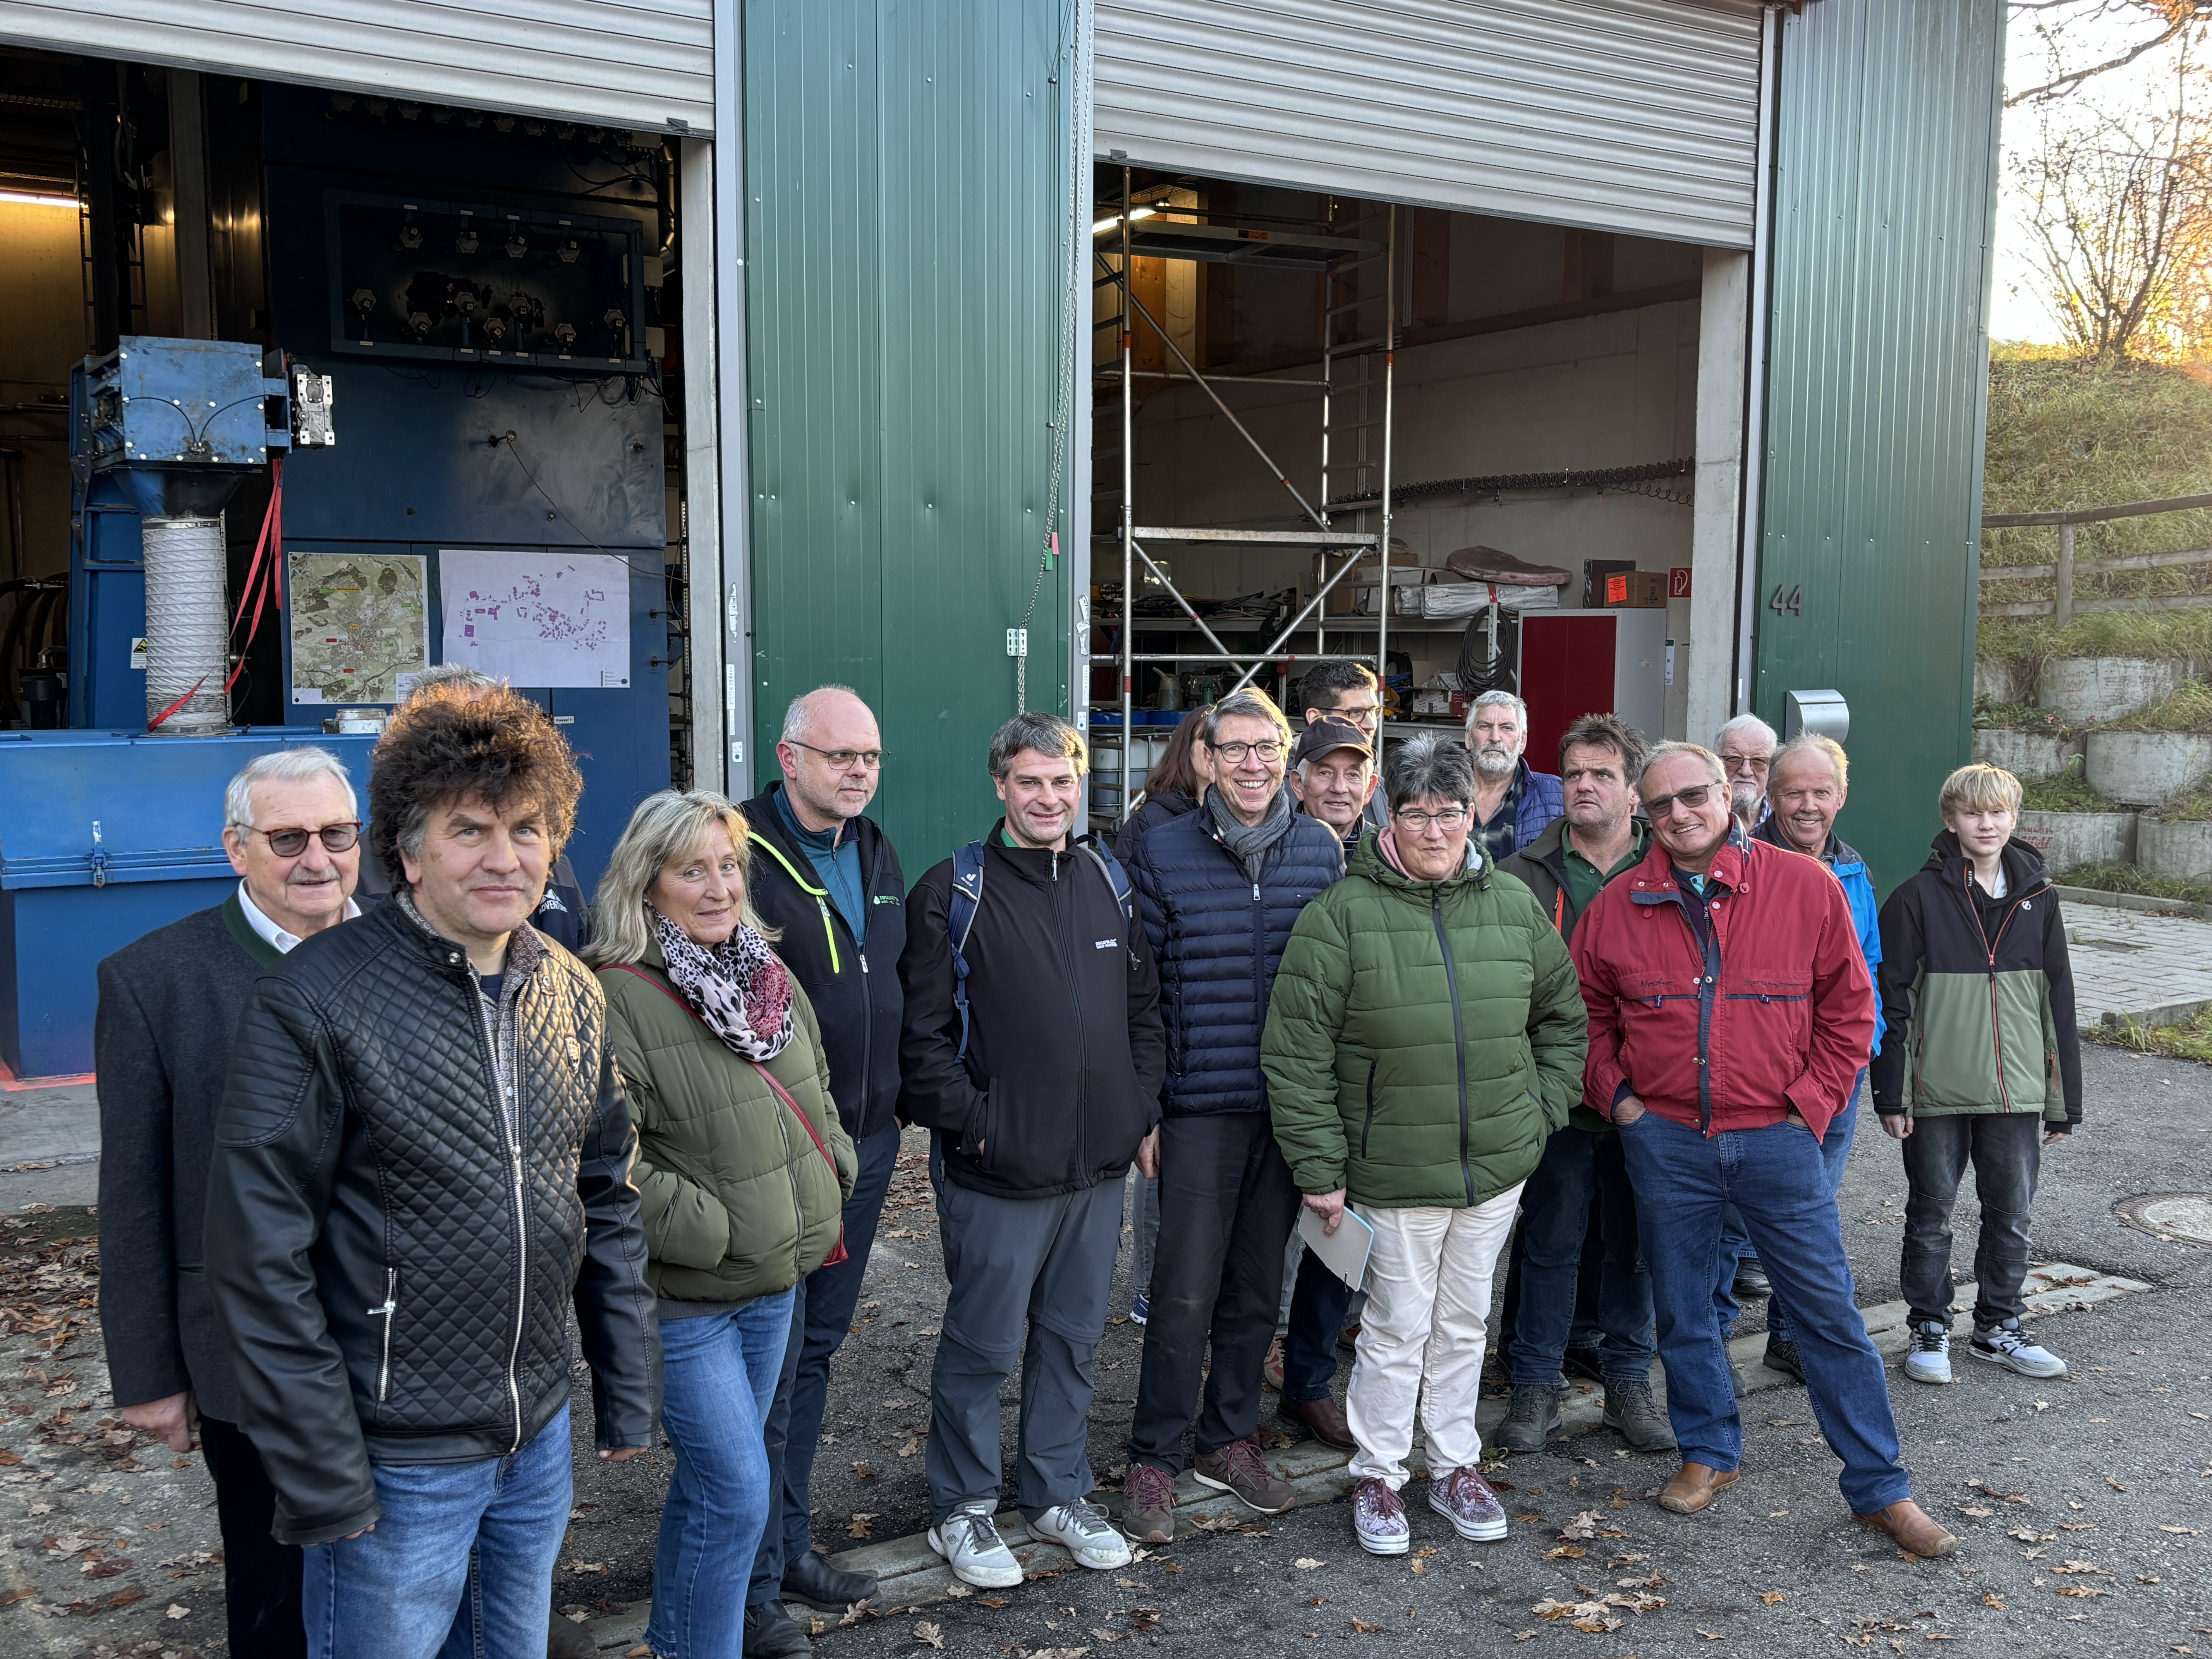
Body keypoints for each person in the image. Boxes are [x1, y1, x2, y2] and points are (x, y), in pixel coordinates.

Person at [204, 683, 661, 1658]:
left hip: (533, 1437)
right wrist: (325, 1473)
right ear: (409, 853)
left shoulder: (570, 988)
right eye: (469, 831)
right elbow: (258, 1256)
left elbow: (606, 1194)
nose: (505, 857)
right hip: (395, 1457)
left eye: (527, 829)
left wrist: (625, 1381)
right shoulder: (316, 1001)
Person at [1572, 741, 1954, 1558]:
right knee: (1684, 1308)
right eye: (1661, 804)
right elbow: (1585, 1019)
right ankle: (1708, 1451)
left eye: (1693, 796)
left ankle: (1881, 1486)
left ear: (1729, 794)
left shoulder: (1804, 886)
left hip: (1777, 1138)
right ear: (1643, 814)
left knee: (1827, 1314)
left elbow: (1852, 1009)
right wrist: (1623, 1104)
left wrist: (1809, 1107)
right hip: (1667, 1141)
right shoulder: (1618, 904)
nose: (1680, 814)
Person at [1262, 736, 1587, 1557]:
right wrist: (1320, 1169)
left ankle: (1453, 1463)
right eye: (1416, 814)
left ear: (1473, 813)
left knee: (1466, 1320)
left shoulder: (1511, 903)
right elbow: (1296, 1055)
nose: (1434, 830)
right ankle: (1379, 1472)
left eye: (1449, 812)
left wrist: (1538, 1111)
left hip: (1495, 1166)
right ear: (1390, 817)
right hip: (1392, 1169)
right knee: (1397, 1325)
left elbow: (1562, 1018)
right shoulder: (1341, 915)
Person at [96, 747, 363, 1659]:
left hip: (411, 1350)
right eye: (288, 839)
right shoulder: (154, 981)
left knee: (419, 1583)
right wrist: (149, 1373)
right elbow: (134, 1192)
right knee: (276, 1592)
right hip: (248, 1358)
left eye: (337, 834)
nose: (317, 858)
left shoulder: (418, 953)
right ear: (235, 848)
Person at [896, 713, 1166, 1587]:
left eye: (1062, 781)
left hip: (1095, 1168)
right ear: (1000, 786)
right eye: (1030, 782)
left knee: (1073, 1340)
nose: (1048, 798)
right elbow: (923, 1041)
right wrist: (981, 1124)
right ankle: (963, 1507)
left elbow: (1142, 1012)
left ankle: (1057, 1492)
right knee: (981, 1347)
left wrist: (1136, 1109)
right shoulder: (954, 891)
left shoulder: (1107, 879)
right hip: (998, 1171)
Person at [589, 791, 856, 1659]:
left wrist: (832, 1167)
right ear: (646, 884)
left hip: (774, 1282)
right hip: (689, 1297)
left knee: (717, 1487)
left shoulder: (765, 972)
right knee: (737, 1489)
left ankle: (682, 1642)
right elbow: (606, 1161)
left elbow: (816, 1085)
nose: (718, 887)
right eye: (691, 870)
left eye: (728, 866)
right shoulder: (614, 995)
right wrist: (720, 1229)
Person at [1119, 691, 1345, 1543]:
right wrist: (1148, 1107)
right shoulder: (1159, 849)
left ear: (1286, 760)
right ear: (1207, 759)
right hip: (1197, 1107)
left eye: (1267, 748)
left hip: (1285, 1109)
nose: (1253, 764)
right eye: (1236, 749)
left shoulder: (1318, 850)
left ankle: (1228, 1438)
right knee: (1183, 1290)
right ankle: (1153, 1454)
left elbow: (1337, 988)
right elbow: (1139, 990)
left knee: (1256, 1289)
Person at [737, 687, 906, 1650]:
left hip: (866, 1148)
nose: (858, 772)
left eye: (869, 757)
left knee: (813, 1356)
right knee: (766, 1366)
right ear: (789, 757)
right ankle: (750, 1587)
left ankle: (789, 1545)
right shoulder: (739, 854)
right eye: (841, 756)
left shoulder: (876, 852)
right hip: (777, 1155)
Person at [1494, 714, 1671, 1456]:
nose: (1584, 786)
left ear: (1634, 789)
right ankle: (1534, 1385)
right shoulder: (1519, 873)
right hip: (1556, 1096)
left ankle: (1629, 1382)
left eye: (1602, 773)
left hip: (1650, 1095)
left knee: (1635, 1246)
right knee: (1550, 1240)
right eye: (1573, 774)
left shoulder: (1670, 868)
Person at [1871, 763, 2080, 1388]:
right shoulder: (1915, 897)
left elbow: (2058, 1000)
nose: (1985, 824)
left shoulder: (2040, 898)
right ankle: (1928, 1327)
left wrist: (2062, 1099)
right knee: (1931, 1214)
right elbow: (1893, 1001)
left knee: (2011, 1214)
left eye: (1996, 812)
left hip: (2015, 1091)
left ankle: (1998, 1326)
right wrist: (1892, 1093)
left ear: (2014, 818)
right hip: (1935, 1091)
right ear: (1949, 819)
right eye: (1971, 812)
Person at [1743, 734, 1883, 1381]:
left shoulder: (1854, 868)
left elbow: (1870, 967)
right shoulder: (1745, 862)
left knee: (1813, 1215)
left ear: (1842, 796)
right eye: (1793, 792)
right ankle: (1712, 1349)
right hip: (1766, 1073)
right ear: (1771, 796)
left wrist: (1867, 1047)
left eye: (1820, 792)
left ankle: (1790, 1335)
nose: (1807, 805)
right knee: (1733, 1220)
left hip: (1838, 1072)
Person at [1261, 715, 1377, 1448]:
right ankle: (1245, 1378)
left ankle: (1307, 1380)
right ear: (1296, 781)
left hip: (1357, 1082)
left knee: (1338, 1241)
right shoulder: (1270, 849)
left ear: (1370, 784)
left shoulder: (1388, 854)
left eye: (1352, 773)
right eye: (1324, 772)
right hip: (1278, 1069)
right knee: (1261, 1246)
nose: (1339, 786)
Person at [355, 663, 591, 952]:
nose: (480, 756)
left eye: (499, 732)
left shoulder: (556, 867)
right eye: (454, 736)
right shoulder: (351, 869)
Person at [1113, 706, 1211, 1328]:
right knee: (1158, 1163)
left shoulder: (1243, 821)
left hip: (1215, 1028)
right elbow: (1131, 935)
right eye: (1210, 744)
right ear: (1188, 751)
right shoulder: (1151, 824)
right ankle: (1150, 1284)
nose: (1224, 757)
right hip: (1165, 1022)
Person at [1710, 711, 1781, 1302]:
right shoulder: (1697, 830)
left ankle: (1750, 1254)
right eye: (1734, 759)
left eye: (1759, 761)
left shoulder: (1792, 835)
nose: (1746, 771)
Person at [1462, 690, 1563, 864]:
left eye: (1507, 728)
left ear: (1522, 741)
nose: (1495, 738)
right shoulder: (1442, 793)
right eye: (1485, 727)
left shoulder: (1559, 797)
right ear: (1469, 738)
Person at [1113, 706, 1212, 863]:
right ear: (1186, 747)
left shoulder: (1240, 816)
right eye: (1208, 739)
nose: (1215, 750)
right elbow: (1126, 877)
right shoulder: (1147, 821)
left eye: (1229, 744)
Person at [1295, 662, 1385, 830]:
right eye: (1355, 713)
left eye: (1374, 712)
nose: (1371, 725)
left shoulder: (1387, 789)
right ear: (1315, 718)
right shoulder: (1270, 791)